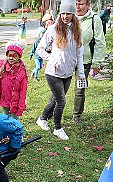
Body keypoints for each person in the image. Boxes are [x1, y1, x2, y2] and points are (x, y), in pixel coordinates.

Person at [36, 0, 85, 141]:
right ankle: (58, 128)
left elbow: (79, 54)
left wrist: (80, 73)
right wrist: (52, 59)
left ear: (73, 15)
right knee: (61, 101)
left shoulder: (77, 31)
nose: (65, 16)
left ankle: (42, 119)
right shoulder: (53, 29)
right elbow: (40, 49)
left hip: (68, 72)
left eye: (68, 13)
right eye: (63, 13)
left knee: (56, 99)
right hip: (53, 72)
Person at [73, 0, 106, 125]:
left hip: (84, 61)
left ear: (88, 5)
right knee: (59, 88)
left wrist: (96, 63)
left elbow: (100, 42)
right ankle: (51, 112)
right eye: (76, 3)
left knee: (80, 89)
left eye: (81, 4)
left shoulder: (95, 19)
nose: (78, 7)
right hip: (67, 60)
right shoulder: (68, 16)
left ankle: (77, 115)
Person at [0, 42, 28, 120]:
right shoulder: (2, 68)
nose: (11, 58)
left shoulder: (21, 72)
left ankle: (15, 131)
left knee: (14, 120)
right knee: (5, 118)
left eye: (14, 56)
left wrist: (21, 104)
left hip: (15, 102)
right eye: (9, 56)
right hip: (5, 99)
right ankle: (7, 131)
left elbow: (23, 90)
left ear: (19, 57)